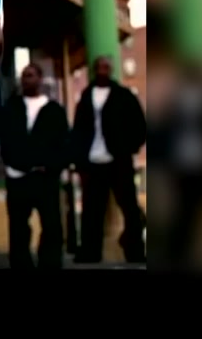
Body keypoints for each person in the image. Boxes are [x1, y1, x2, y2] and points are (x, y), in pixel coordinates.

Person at [72, 56, 147, 263]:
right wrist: (79, 160)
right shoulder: (86, 96)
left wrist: (129, 148)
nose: (102, 70)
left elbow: (140, 125)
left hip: (118, 161)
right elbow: (78, 130)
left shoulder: (123, 96)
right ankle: (90, 252)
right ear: (94, 70)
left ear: (111, 70)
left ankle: (135, 252)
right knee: (92, 210)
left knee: (130, 208)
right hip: (93, 162)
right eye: (99, 67)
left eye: (106, 67)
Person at [0, 63, 69, 269]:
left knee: (51, 224)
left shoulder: (54, 110)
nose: (26, 79)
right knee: (18, 225)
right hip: (18, 176)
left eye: (30, 75)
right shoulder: (11, 108)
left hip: (45, 177)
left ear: (39, 79)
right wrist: (11, 163)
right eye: (24, 76)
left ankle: (49, 263)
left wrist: (52, 166)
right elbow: (5, 139)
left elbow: (63, 142)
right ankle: (21, 263)